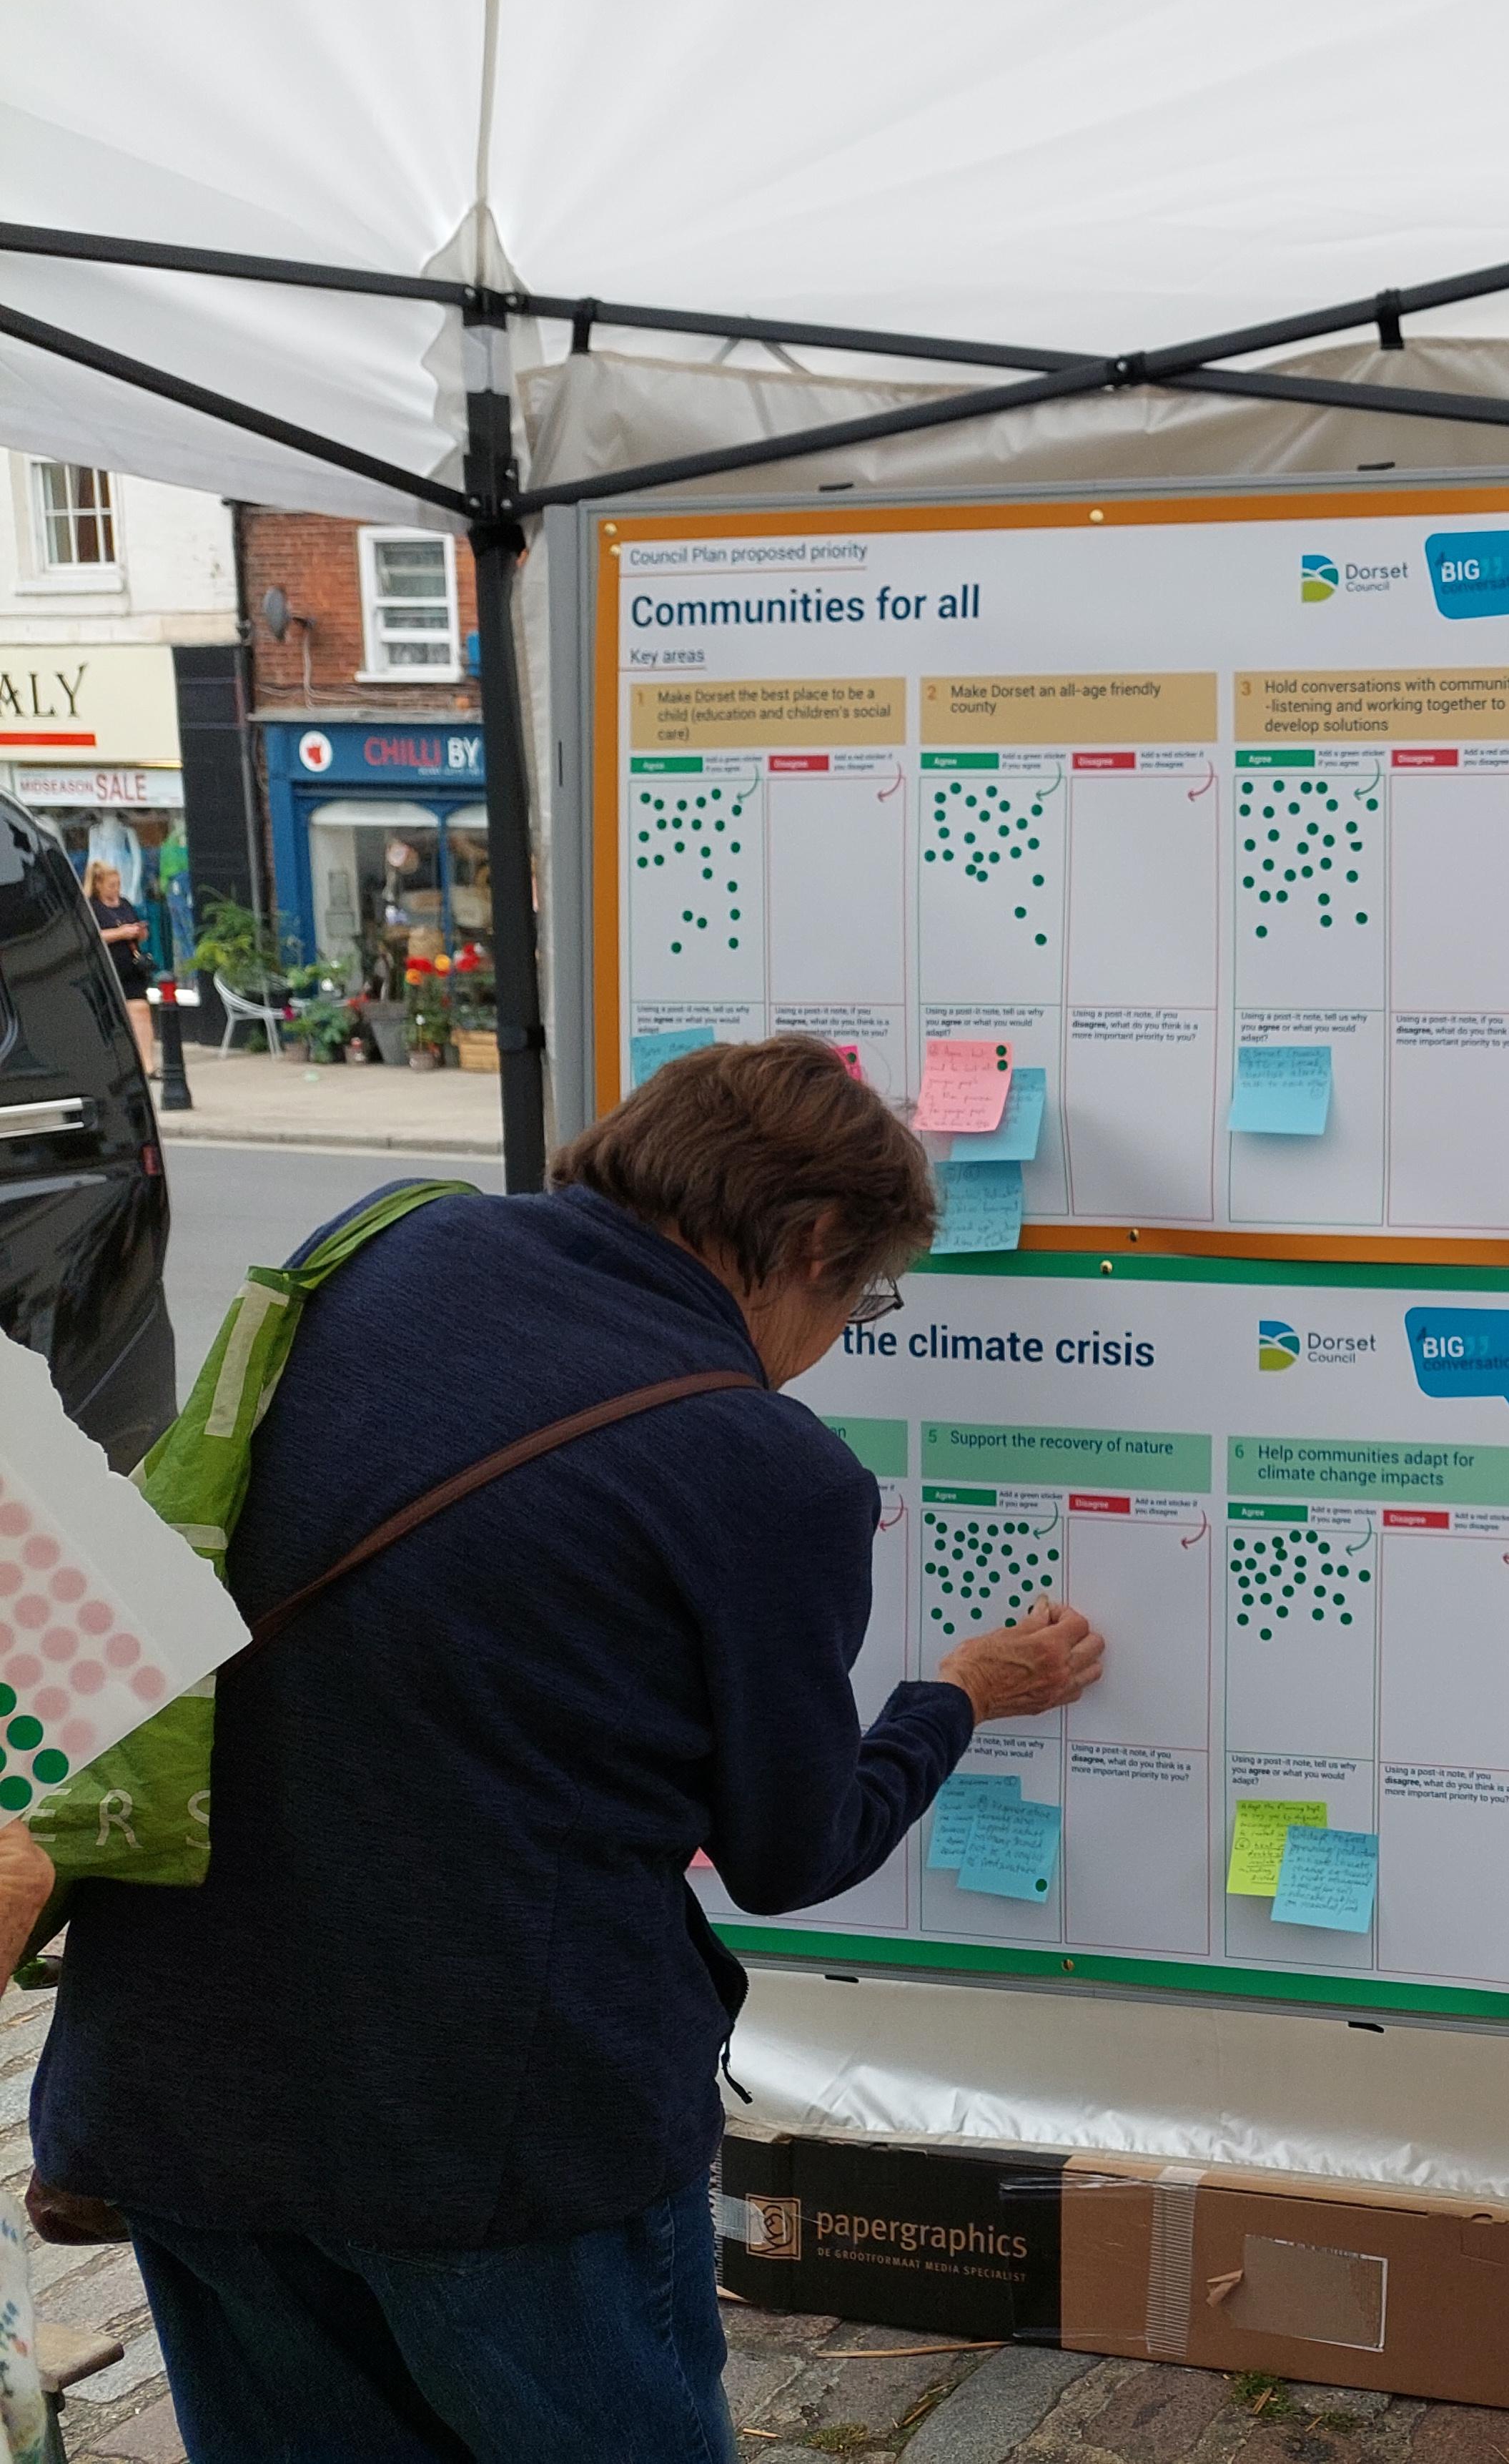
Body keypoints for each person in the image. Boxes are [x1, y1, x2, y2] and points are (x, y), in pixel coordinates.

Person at [30, 1034, 1104, 2461]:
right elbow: (793, 1851)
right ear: (812, 1242)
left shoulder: (384, 1250)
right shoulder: (763, 1470)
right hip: (494, 2140)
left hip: (176, 2080)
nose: (841, 1336)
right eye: (864, 1296)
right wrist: (957, 1694)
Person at [81, 859, 152, 1044]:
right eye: (112, 885)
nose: (116, 889)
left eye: (118, 884)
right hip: (107, 969)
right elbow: (90, 936)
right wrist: (120, 933)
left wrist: (139, 932)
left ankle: (149, 1065)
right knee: (113, 1019)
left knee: (141, 1011)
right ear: (98, 885)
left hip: (131, 967)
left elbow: (137, 932)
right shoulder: (91, 907)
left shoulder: (125, 904)